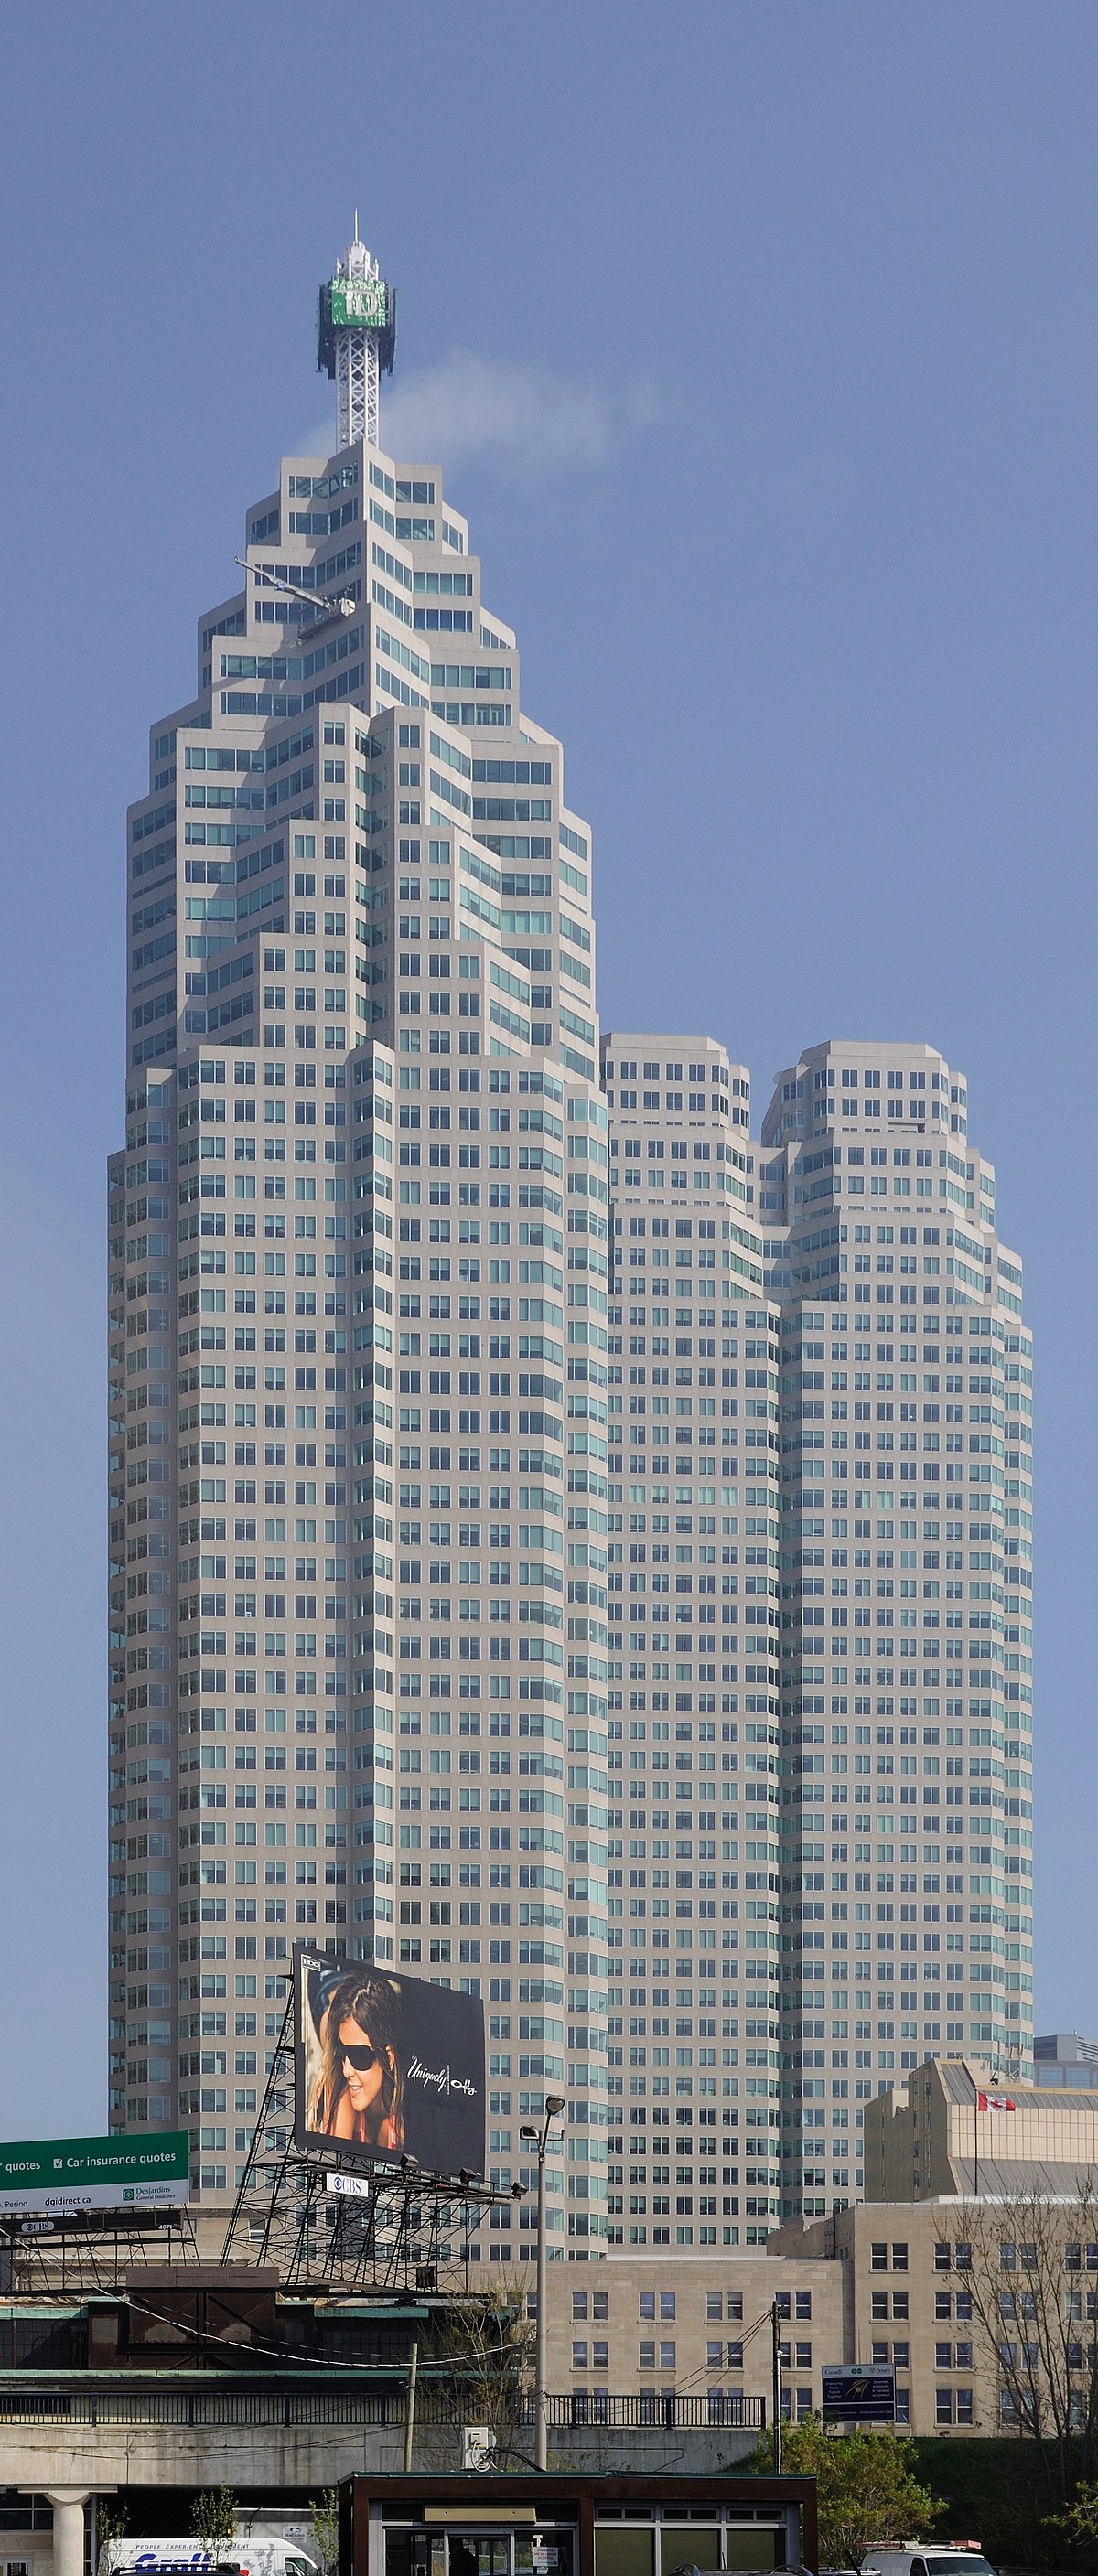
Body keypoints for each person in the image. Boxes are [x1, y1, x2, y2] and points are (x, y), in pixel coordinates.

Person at [306, 1968, 404, 2150]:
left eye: (360, 2056)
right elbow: (332, 2159)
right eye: (343, 2051)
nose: (347, 2070)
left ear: (388, 2057)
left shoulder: (402, 2124)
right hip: (326, 1991)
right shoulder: (341, 2086)